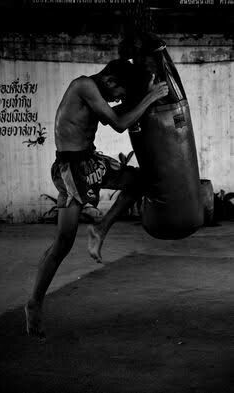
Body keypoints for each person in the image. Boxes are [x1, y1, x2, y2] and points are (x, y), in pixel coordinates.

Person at [25, 59, 169, 339]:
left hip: (90, 162)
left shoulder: (96, 93)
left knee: (138, 180)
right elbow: (117, 123)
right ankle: (34, 303)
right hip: (71, 169)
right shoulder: (84, 86)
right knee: (63, 242)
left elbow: (113, 114)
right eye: (118, 94)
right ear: (111, 80)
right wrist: (151, 96)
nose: (116, 99)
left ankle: (100, 229)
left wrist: (146, 92)